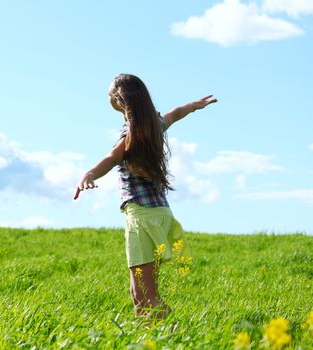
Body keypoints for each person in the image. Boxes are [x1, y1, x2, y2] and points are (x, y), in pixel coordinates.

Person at [73, 73, 217, 319]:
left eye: (111, 94)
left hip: (142, 218)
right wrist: (193, 106)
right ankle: (150, 340)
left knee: (146, 297)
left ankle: (174, 337)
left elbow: (110, 158)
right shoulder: (155, 125)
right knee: (139, 292)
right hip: (160, 215)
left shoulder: (131, 136)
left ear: (120, 100)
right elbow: (174, 113)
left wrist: (88, 174)